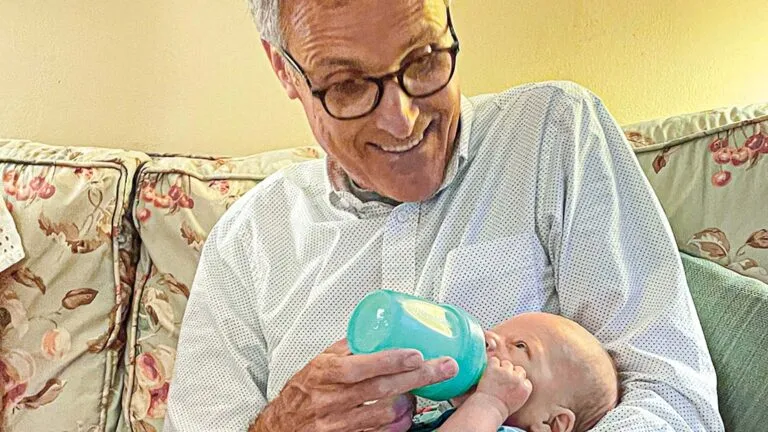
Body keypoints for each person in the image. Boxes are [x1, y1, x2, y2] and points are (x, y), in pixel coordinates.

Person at [165, 0, 724, 431]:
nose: (402, 121)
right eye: (349, 85)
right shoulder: (247, 240)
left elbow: (674, 396)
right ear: (284, 71)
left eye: (423, 59)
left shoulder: (552, 134)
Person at [411, 312, 619, 432]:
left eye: (520, 346)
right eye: (494, 330)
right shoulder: (442, 414)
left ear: (550, 423)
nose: (487, 337)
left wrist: (492, 403)